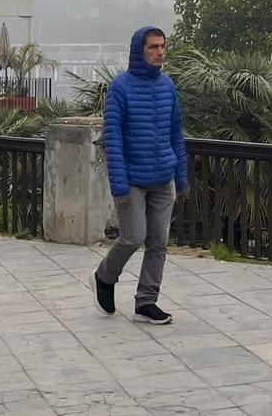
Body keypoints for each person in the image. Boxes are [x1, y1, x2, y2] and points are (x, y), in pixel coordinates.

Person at [91, 26, 188, 325]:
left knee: (158, 243)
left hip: (163, 178)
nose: (160, 52)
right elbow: (113, 138)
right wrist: (118, 183)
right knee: (134, 236)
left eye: (162, 47)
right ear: (139, 51)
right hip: (132, 179)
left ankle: (146, 302)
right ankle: (105, 276)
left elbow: (176, 134)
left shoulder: (167, 86)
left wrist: (181, 175)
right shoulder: (120, 88)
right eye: (153, 47)